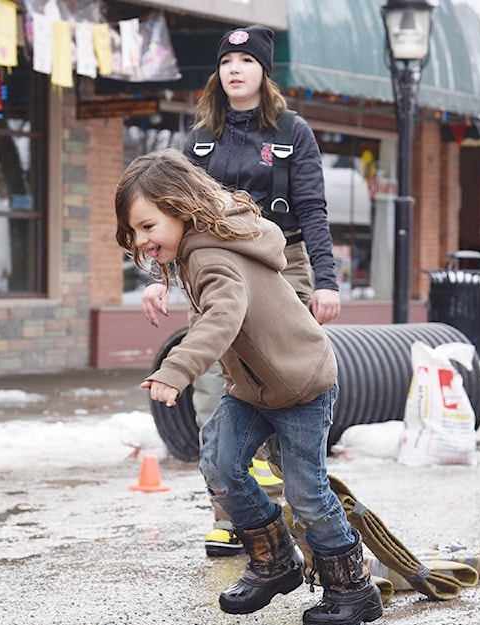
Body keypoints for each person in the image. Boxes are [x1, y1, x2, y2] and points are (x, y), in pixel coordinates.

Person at [115, 149, 382, 625]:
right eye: (134, 233)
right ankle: (275, 558)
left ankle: (353, 588)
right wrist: (161, 276)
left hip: (300, 385)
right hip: (253, 389)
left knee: (307, 493)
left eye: (148, 227)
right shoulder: (196, 249)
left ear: (180, 208)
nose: (142, 240)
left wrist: (175, 370)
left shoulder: (211, 254)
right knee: (219, 460)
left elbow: (222, 317)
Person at [139, 24, 341, 556]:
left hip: (283, 270)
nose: (234, 69)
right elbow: (169, 214)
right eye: (226, 61)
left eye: (246, 61)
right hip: (211, 272)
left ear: (264, 71)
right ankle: (236, 520)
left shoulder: (293, 132)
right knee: (214, 387)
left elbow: (314, 211)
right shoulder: (201, 137)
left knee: (282, 387)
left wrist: (327, 280)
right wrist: (159, 279)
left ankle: (305, 511)